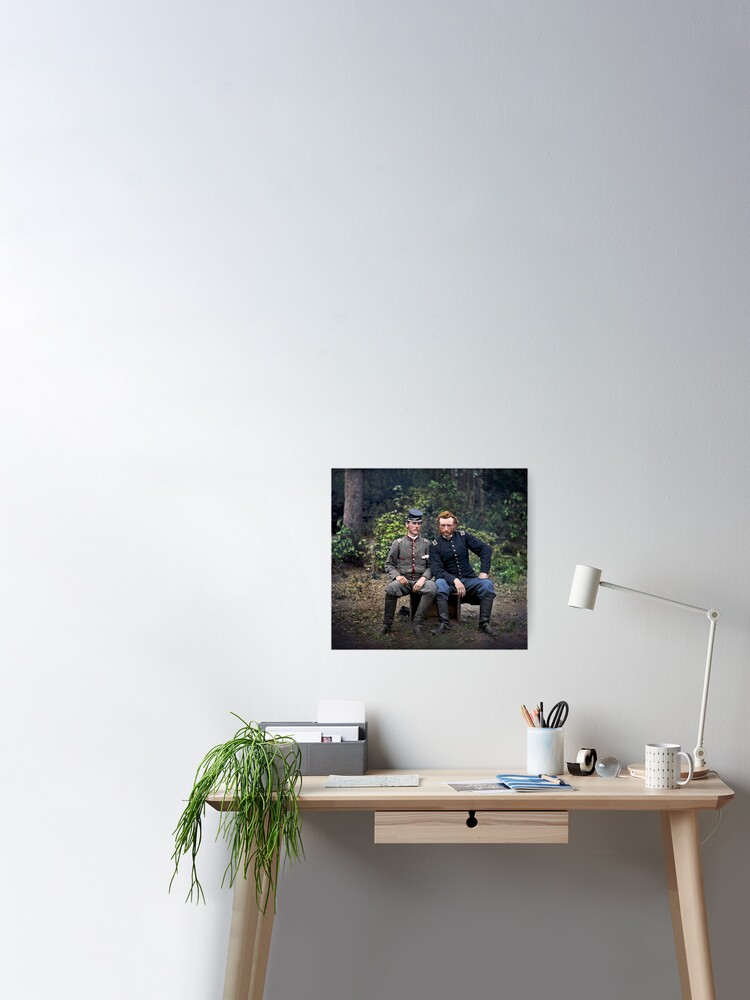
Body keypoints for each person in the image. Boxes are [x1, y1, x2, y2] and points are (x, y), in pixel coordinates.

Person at [429, 510, 496, 635]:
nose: (446, 529)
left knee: (487, 584)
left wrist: (484, 572)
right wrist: (454, 580)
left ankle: (484, 624)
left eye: (449, 525)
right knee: (440, 584)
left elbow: (485, 549)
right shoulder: (435, 545)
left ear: (455, 525)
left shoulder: (464, 537)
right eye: (443, 525)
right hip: (448, 581)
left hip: (468, 579)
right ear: (439, 526)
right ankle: (444, 623)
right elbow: (437, 570)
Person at [379, 509, 437, 637]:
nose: (416, 526)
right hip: (404, 582)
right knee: (390, 589)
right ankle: (386, 625)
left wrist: (423, 578)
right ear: (407, 524)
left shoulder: (427, 544)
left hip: (420, 581)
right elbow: (389, 564)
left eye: (419, 523)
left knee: (432, 588)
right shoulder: (398, 544)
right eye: (413, 523)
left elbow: (432, 566)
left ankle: (417, 624)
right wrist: (397, 576)